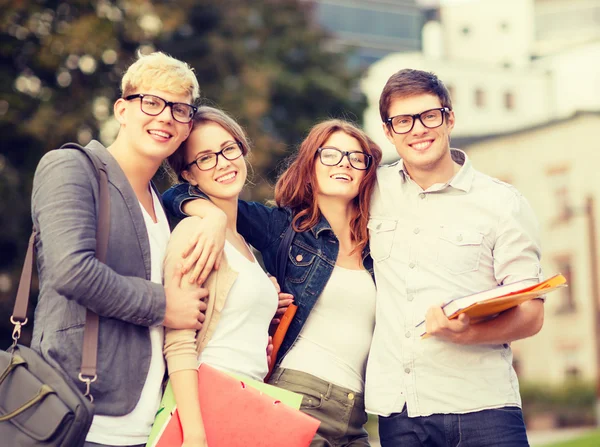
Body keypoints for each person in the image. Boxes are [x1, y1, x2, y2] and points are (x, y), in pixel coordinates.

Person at [163, 118, 383, 446]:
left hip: (356, 413)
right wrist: (212, 215)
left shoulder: (377, 247)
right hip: (299, 397)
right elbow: (176, 193)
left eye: (356, 157)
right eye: (331, 155)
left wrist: (268, 297)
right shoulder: (283, 227)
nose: (344, 164)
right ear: (311, 163)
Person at [30, 52, 210, 447]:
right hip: (77, 416)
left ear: (186, 128)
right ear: (122, 110)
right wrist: (163, 305)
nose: (165, 117)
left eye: (179, 109)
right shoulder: (71, 167)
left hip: (144, 427)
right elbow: (70, 270)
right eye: (152, 102)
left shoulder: (163, 208)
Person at [365, 68, 544, 446]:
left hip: (484, 407)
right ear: (388, 131)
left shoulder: (501, 202)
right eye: (403, 121)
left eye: (429, 116)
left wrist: (469, 333)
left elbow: (531, 314)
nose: (418, 129)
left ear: (449, 118)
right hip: (402, 414)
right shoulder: (369, 193)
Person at [162, 106, 279, 447]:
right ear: (189, 176)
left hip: (248, 407)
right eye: (206, 158)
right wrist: (195, 434)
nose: (224, 163)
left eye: (229, 149)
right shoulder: (195, 231)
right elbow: (179, 341)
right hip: (205, 410)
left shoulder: (243, 242)